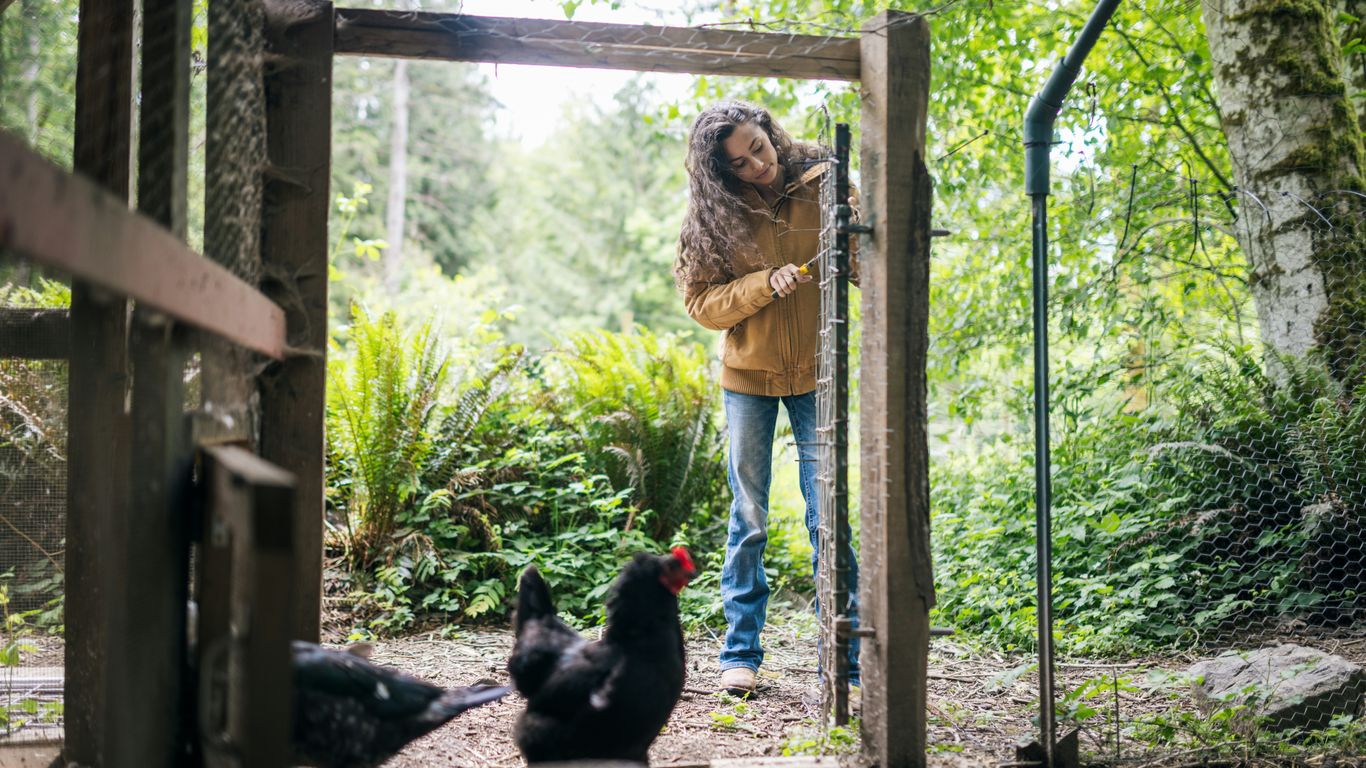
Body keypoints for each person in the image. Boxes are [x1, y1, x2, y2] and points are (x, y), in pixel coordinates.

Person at [673, 101, 861, 698]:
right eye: (742, 162)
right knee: (749, 518)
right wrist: (762, 283)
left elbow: (865, 260)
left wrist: (854, 245)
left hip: (818, 374)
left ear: (769, 132)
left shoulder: (824, 174)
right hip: (747, 380)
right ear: (722, 173)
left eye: (760, 145)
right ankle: (741, 655)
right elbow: (701, 304)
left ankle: (845, 660)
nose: (759, 162)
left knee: (826, 515)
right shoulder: (712, 217)